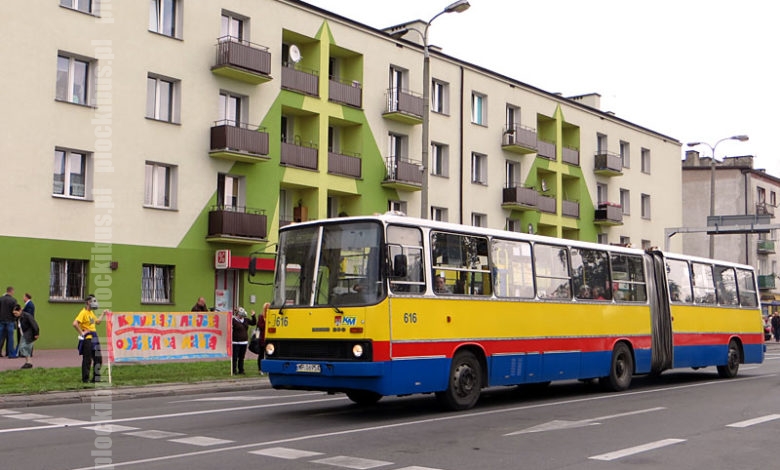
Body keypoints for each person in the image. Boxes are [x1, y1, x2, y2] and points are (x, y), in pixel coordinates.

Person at [72, 294, 108, 383]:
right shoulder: (83, 312)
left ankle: (96, 378)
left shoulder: (91, 313)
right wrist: (82, 333)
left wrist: (103, 313)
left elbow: (97, 322)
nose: (95, 303)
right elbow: (75, 323)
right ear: (88, 302)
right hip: (87, 338)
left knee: (98, 358)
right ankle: (85, 379)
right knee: (87, 359)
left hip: (94, 337)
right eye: (93, 301)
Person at [231, 306, 256, 375]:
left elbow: (253, 323)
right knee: (235, 357)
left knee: (241, 357)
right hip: (235, 342)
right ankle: (234, 370)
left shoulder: (246, 320)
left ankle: (241, 370)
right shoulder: (233, 320)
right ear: (238, 313)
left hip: (244, 342)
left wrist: (253, 316)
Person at [13, 304, 38, 369]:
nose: (15, 314)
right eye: (14, 313)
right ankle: (28, 362)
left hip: (29, 334)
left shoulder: (27, 316)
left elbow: (34, 324)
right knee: (25, 348)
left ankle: (29, 362)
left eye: (16, 313)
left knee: (23, 347)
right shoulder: (18, 317)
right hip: (23, 334)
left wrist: (36, 333)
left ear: (20, 311)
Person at [0, 286, 18, 358]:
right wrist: (15, 318)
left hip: (1, 321)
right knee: (10, 338)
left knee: (0, 337)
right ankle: (11, 354)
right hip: (10, 321)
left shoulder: (1, 299)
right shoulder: (13, 300)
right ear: (11, 291)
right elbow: (15, 311)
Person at [256, 302, 268, 375]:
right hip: (262, 338)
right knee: (261, 354)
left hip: (269, 338)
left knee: (268, 354)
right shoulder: (261, 317)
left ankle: (267, 368)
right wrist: (266, 322)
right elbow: (260, 326)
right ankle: (260, 369)